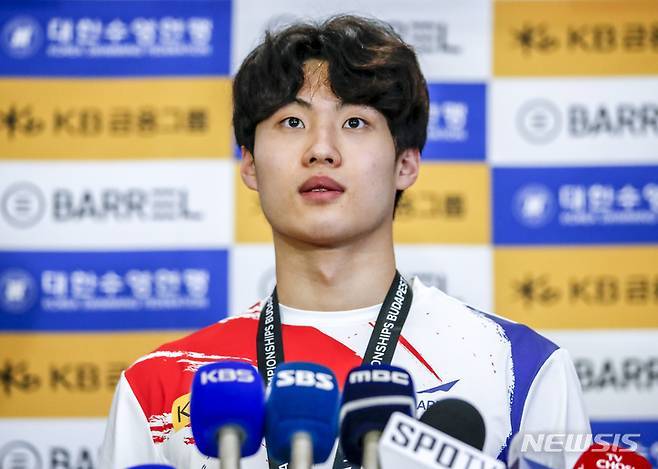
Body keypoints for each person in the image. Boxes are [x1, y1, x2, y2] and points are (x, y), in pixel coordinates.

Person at [99, 15, 590, 469]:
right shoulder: (157, 387)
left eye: (355, 122)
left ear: (405, 164)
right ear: (249, 163)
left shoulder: (520, 367)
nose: (321, 150)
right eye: (292, 122)